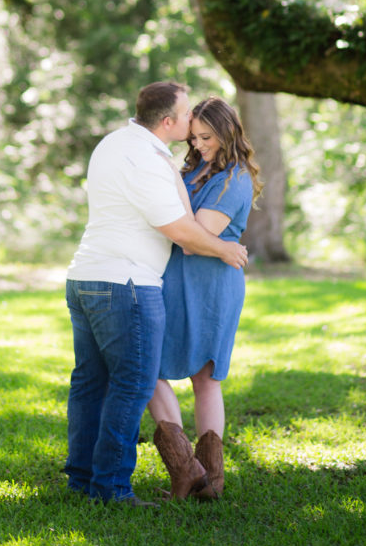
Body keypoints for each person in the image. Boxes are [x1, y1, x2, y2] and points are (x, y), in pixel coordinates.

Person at [64, 82, 249, 507]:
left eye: (204, 134)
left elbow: (190, 228)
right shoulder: (154, 160)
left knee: (102, 383)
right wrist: (224, 248)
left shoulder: (116, 144)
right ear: (168, 121)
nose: (192, 136)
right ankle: (129, 483)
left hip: (117, 277)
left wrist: (220, 246)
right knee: (135, 383)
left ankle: (101, 478)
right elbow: (184, 232)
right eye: (189, 123)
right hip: (132, 281)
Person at [148, 96, 262, 500]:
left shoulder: (235, 179)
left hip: (211, 285)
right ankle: (187, 469)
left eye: (207, 137)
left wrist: (173, 180)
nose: (198, 145)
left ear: (227, 132)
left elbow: (197, 238)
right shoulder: (193, 169)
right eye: (194, 137)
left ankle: (210, 479)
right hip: (172, 282)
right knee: (150, 368)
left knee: (206, 379)